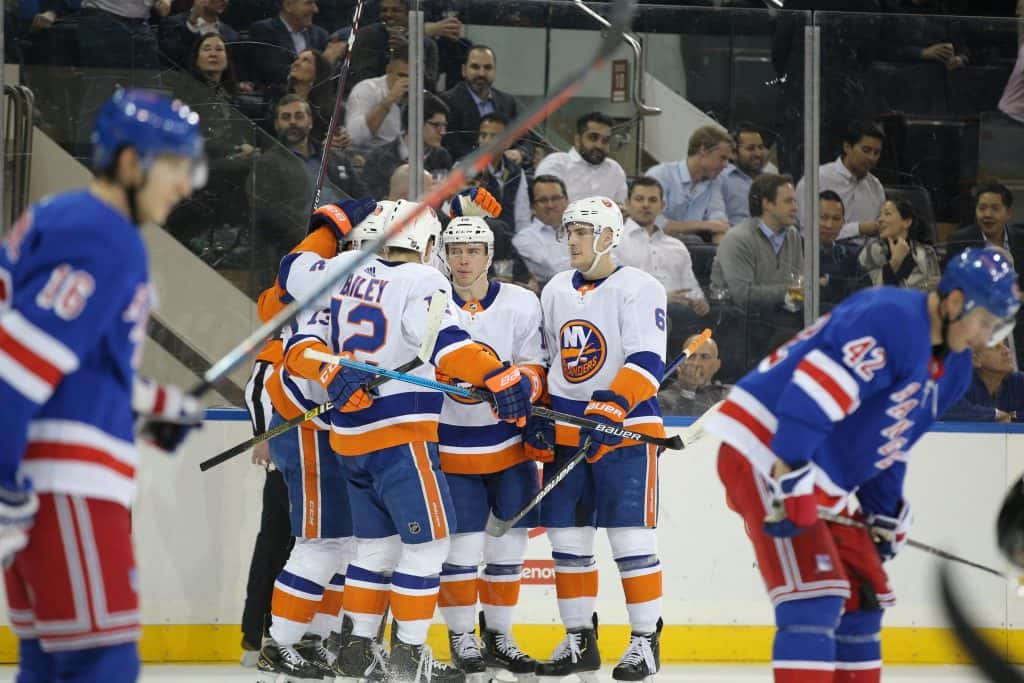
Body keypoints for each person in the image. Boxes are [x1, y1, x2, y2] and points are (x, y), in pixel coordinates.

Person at [704, 246, 1020, 683]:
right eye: (985, 321)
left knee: (861, 599)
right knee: (816, 597)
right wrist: (791, 476)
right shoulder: (888, 316)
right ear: (952, 302)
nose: (988, 336)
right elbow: (810, 394)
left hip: (816, 474)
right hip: (768, 450)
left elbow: (890, 443)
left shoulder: (957, 368)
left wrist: (884, 511)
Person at [279, 200, 533, 683]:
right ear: (428, 244)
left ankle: (358, 648)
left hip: (351, 440)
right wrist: (496, 374)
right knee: (430, 546)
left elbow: (291, 274)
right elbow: (449, 345)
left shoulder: (340, 270)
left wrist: (329, 368)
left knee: (374, 549)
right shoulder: (423, 281)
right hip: (402, 439)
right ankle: (409, 654)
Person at [0, 89, 206, 681]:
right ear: (129, 162)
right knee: (101, 663)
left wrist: (153, 407)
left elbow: (78, 366)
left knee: (49, 663)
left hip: (52, 480)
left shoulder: (59, 217)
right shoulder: (105, 235)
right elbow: (15, 365)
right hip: (66, 487)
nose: (187, 185)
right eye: (176, 166)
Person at [531, 196, 668, 682]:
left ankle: (645, 641)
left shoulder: (640, 287)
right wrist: (540, 411)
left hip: (626, 434)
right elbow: (551, 363)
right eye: (568, 230)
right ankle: (578, 640)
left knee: (630, 539)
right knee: (568, 541)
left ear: (609, 236)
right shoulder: (553, 289)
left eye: (582, 231)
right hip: (570, 434)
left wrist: (613, 407)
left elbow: (647, 363)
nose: (571, 239)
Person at [254, 198, 377, 680]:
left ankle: (313, 638)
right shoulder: (325, 273)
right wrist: (329, 225)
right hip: (305, 421)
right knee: (321, 541)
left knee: (342, 543)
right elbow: (291, 272)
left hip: (334, 426)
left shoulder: (361, 278)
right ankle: (278, 643)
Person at [433, 216, 546, 682]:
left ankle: (499, 636)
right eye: (455, 250)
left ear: (488, 254)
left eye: (472, 250)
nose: (463, 260)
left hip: (509, 446)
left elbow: (536, 368)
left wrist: (524, 389)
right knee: (460, 551)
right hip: (451, 447)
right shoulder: (431, 303)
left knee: (508, 549)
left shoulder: (522, 302)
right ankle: (462, 639)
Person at [249, 94, 365, 286]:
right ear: (277, 124)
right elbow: (271, 211)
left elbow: (361, 195)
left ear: (310, 121)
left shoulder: (335, 158)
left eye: (299, 116)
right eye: (286, 118)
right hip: (302, 246)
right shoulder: (268, 163)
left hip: (347, 239)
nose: (293, 122)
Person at [616, 176, 709, 351]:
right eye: (639, 199)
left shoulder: (677, 247)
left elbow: (694, 292)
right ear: (627, 203)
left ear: (662, 206)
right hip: (632, 321)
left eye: (652, 200)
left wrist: (699, 303)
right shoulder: (613, 242)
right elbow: (613, 292)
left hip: (681, 322)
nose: (645, 205)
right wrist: (663, 297)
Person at [513, 112, 627, 232]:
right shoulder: (556, 164)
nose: (599, 145)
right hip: (557, 238)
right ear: (578, 139)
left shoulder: (615, 170)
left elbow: (620, 211)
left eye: (605, 140)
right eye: (593, 137)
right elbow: (548, 211)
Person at [710, 173, 803, 311]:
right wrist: (791, 291)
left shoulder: (793, 235)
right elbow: (743, 295)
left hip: (782, 313)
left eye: (795, 201)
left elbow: (800, 282)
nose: (795, 208)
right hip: (743, 322)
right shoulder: (737, 239)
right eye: (788, 201)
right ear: (767, 204)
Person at [796, 121, 886, 243]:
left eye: (876, 153)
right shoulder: (816, 179)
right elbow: (805, 232)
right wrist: (859, 229)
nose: (872, 158)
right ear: (847, 147)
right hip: (822, 259)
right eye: (866, 150)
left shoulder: (876, 188)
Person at [645, 125, 732, 243]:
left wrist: (721, 251)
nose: (726, 165)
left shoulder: (715, 180)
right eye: (722, 158)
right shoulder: (660, 175)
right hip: (655, 245)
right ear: (704, 150)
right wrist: (704, 225)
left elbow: (718, 219)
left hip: (693, 249)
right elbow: (653, 222)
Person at [360, 93, 453, 201]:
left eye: (444, 126)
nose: (443, 132)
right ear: (414, 123)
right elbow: (369, 200)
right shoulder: (378, 157)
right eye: (436, 125)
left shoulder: (442, 157)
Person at [441, 45, 523, 163]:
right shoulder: (447, 101)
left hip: (505, 171)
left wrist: (519, 152)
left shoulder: (507, 101)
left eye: (488, 67)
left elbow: (525, 138)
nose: (482, 73)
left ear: (494, 71)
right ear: (464, 70)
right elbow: (451, 145)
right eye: (475, 67)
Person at [247, 0, 340, 92]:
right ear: (288, 5)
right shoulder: (264, 30)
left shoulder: (320, 35)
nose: (315, 9)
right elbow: (271, 73)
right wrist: (325, 61)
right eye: (309, 3)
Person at [858, 199, 940, 291]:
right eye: (880, 215)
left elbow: (936, 291)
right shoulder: (871, 252)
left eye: (887, 214)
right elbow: (875, 295)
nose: (880, 219)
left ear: (907, 222)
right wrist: (895, 261)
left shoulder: (927, 252)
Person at [345, 43, 409, 149]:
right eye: (402, 76)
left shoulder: (423, 96)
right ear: (388, 70)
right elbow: (355, 137)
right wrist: (389, 100)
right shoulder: (366, 89)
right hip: (370, 154)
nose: (408, 82)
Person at [944, 339, 1024, 423]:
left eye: (1005, 345)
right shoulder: (961, 381)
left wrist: (1013, 417)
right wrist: (995, 414)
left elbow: (1011, 418)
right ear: (975, 360)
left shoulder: (1019, 382)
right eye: (996, 347)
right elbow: (945, 407)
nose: (1006, 351)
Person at [511, 175, 571, 286]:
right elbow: (555, 269)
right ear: (532, 207)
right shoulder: (523, 239)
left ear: (566, 201)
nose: (550, 205)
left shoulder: (581, 229)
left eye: (556, 198)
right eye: (543, 200)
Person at [473, 112, 527, 230]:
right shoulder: (465, 169)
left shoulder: (517, 172)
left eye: (493, 137)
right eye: (483, 135)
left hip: (508, 240)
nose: (487, 141)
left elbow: (522, 218)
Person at [658, 333, 730, 416]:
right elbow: (678, 427)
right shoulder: (663, 399)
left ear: (717, 365)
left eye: (704, 357)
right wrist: (687, 392)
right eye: (691, 356)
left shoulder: (730, 394)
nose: (696, 363)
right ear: (680, 363)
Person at [721, 123, 777, 226]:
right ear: (733, 153)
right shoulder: (722, 179)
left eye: (761, 147)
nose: (758, 154)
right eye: (750, 148)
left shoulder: (771, 181)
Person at [817, 190, 865, 310]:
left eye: (836, 219)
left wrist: (828, 281)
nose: (829, 225)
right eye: (824, 217)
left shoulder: (849, 255)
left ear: (843, 223)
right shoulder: (800, 252)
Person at [159, 0, 239, 70]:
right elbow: (172, 61)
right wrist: (192, 24)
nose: (224, 0)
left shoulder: (231, 35)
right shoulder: (173, 24)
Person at [286, 48, 338, 142]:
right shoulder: (275, 94)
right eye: (297, 59)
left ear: (318, 73)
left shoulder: (327, 109)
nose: (296, 63)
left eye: (305, 60)